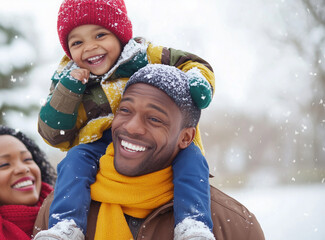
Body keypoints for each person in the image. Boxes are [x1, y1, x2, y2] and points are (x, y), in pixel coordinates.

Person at [37, 0, 216, 239]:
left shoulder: (145, 55)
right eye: (77, 42)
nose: (89, 47)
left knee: (192, 160)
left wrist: (197, 81)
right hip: (97, 144)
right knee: (74, 162)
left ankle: (193, 223)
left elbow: (193, 63)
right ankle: (67, 224)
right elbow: (53, 133)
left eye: (100, 35)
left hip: (157, 140)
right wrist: (68, 90)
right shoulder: (68, 78)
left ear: (120, 36)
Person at [34, 64, 265, 240]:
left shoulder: (232, 223)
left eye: (154, 119)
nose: (132, 127)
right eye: (125, 110)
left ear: (186, 137)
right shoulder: (60, 214)